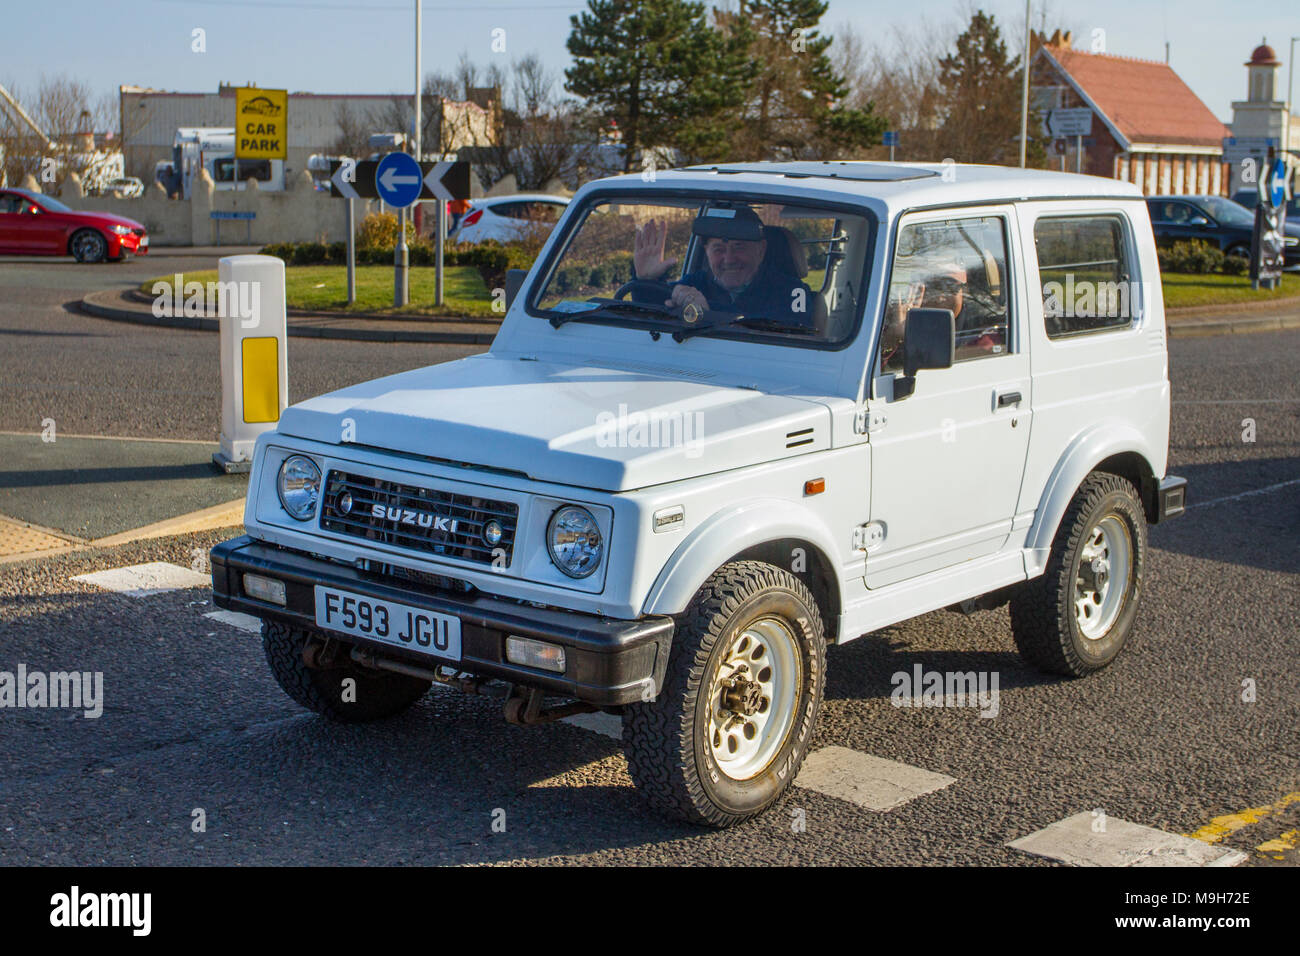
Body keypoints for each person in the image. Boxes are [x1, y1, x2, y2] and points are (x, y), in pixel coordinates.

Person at [632, 205, 813, 329]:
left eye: (739, 247)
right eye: (718, 249)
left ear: (761, 249)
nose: (729, 259)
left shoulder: (794, 292)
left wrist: (709, 312)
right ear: (706, 252)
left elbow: (788, 330)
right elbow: (648, 315)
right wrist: (646, 281)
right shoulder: (696, 283)